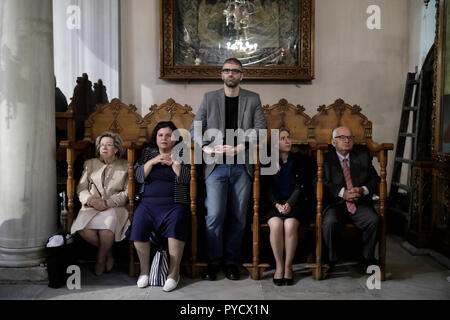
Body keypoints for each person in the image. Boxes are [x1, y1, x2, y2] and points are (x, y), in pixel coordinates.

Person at [189, 57, 267, 281]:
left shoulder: (253, 99)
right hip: (216, 167)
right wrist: (206, 148)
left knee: (239, 216)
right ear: (221, 75)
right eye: (226, 71)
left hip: (242, 165)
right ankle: (213, 263)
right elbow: (195, 127)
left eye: (235, 71)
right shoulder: (209, 98)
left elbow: (261, 129)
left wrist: (241, 146)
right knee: (214, 215)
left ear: (241, 76)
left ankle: (232, 262)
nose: (230, 74)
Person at [126, 121, 190, 292]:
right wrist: (153, 161)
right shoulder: (148, 153)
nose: (164, 139)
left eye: (168, 135)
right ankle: (144, 272)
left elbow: (187, 179)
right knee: (138, 222)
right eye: (161, 135)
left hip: (175, 203)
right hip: (148, 203)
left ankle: (173, 273)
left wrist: (174, 164)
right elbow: (138, 176)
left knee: (177, 221)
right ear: (155, 138)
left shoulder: (183, 153)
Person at [70, 131, 130, 276]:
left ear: (116, 149)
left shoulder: (126, 165)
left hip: (115, 206)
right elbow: (81, 188)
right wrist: (91, 200)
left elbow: (127, 192)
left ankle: (100, 260)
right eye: (101, 145)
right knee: (82, 229)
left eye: (108, 145)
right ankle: (108, 253)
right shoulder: (89, 164)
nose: (104, 147)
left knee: (107, 228)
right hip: (92, 205)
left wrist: (109, 202)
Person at [321, 126, 380, 271]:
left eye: (350, 137)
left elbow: (375, 180)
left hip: (359, 203)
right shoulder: (325, 159)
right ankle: (330, 260)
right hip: (336, 204)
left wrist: (362, 190)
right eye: (342, 137)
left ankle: (367, 259)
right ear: (333, 141)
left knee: (374, 220)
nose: (346, 140)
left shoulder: (362, 157)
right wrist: (342, 193)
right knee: (330, 222)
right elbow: (321, 182)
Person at [261, 128, 315, 286]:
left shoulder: (300, 160)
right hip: (273, 205)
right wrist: (277, 205)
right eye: (282, 138)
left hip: (295, 203)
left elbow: (301, 186)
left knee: (290, 225)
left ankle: (288, 266)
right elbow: (267, 189)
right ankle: (279, 265)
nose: (287, 141)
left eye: (288, 137)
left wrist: (289, 204)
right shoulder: (268, 161)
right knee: (276, 225)